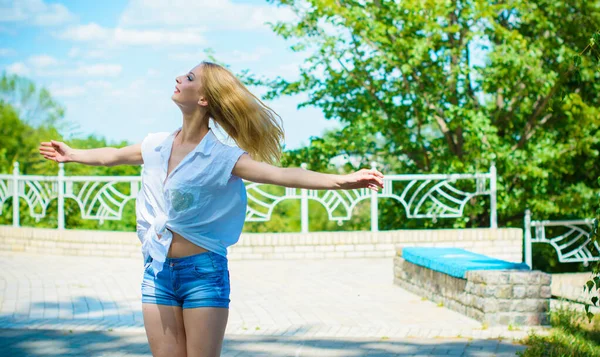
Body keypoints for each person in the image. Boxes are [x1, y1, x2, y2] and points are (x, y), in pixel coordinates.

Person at [38, 61, 384, 357]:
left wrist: (341, 181)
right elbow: (111, 156)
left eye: (189, 78)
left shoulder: (222, 157)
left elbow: (282, 175)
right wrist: (72, 154)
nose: (178, 79)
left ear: (203, 98)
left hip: (203, 274)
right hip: (156, 272)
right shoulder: (156, 145)